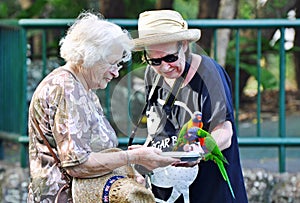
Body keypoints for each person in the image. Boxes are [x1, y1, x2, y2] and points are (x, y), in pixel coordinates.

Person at [27, 11, 178, 202]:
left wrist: (126, 171)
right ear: (88, 57)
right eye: (112, 64)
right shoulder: (66, 89)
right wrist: (134, 157)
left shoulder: (82, 88)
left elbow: (94, 153)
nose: (116, 73)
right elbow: (77, 165)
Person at [133, 10, 248, 202]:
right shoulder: (151, 74)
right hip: (167, 189)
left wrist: (200, 151)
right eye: (154, 61)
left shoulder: (209, 73)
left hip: (210, 189)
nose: (164, 67)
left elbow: (225, 131)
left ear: (184, 46)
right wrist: (143, 158)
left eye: (170, 58)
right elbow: (157, 129)